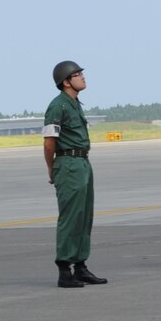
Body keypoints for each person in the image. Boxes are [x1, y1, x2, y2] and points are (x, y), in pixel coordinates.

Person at [44, 60, 107, 287]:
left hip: (82, 161)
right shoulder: (58, 106)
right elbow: (49, 142)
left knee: (84, 216)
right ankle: (64, 269)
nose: (83, 77)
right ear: (66, 81)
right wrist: (52, 168)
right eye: (77, 74)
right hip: (68, 162)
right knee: (71, 216)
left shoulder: (75, 104)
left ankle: (80, 265)